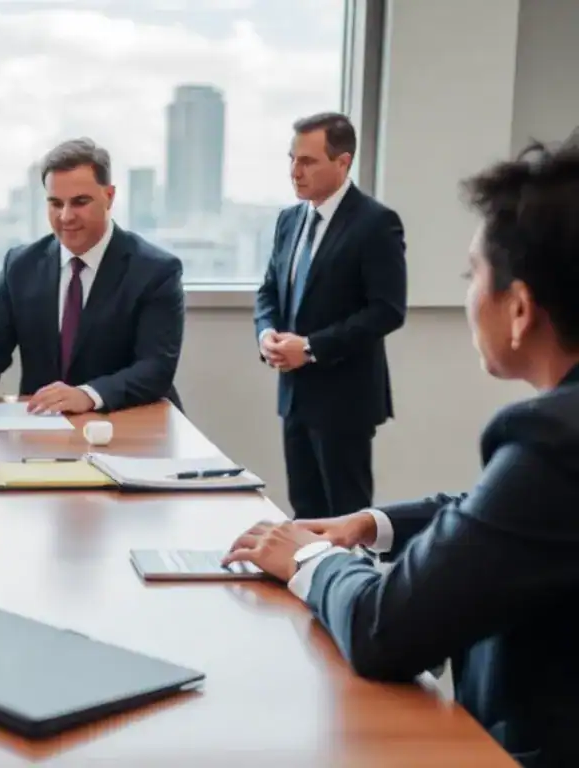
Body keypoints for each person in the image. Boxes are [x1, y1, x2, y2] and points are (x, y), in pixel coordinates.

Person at [225, 138, 579, 767]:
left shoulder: (553, 441)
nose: (470, 295)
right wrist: (375, 523)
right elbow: (513, 514)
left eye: (474, 276)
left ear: (520, 309)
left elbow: (382, 629)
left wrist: (308, 560)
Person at [0, 138, 184, 414]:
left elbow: (155, 368)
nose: (65, 216)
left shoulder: (156, 270)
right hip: (44, 425)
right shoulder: (20, 265)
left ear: (109, 197)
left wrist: (88, 395)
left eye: (80, 202)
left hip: (130, 421)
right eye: (55, 203)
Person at [253, 112, 408, 520]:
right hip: (295, 395)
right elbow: (269, 290)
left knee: (346, 518)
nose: (294, 171)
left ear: (343, 162)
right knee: (303, 511)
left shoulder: (376, 223)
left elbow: (387, 311)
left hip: (345, 398)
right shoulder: (289, 220)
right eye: (292, 159)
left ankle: (352, 585)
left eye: (307, 161)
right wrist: (266, 333)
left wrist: (311, 347)